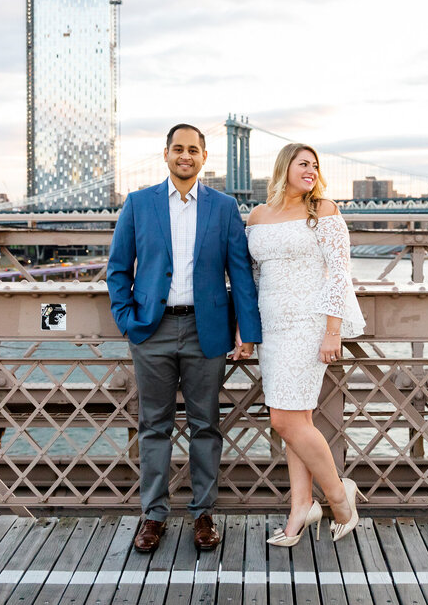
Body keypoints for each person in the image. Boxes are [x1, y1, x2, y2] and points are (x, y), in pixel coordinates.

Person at [107, 123, 263, 553]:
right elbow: (118, 268)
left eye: (193, 149)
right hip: (151, 331)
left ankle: (204, 515)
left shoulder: (224, 206)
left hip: (206, 330)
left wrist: (246, 330)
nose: (185, 156)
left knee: (205, 427)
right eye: (178, 148)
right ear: (166, 154)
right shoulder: (138, 204)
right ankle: (153, 517)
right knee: (153, 426)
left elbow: (240, 274)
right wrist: (127, 320)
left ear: (204, 157)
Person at [243, 142, 367, 545]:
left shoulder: (325, 211)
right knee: (296, 421)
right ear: (284, 168)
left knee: (285, 420)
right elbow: (253, 276)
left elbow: (338, 274)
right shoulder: (258, 215)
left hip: (308, 325)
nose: (311, 170)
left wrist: (333, 330)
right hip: (272, 325)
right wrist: (245, 329)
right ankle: (300, 506)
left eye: (315, 165)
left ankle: (338, 496)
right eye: (303, 163)